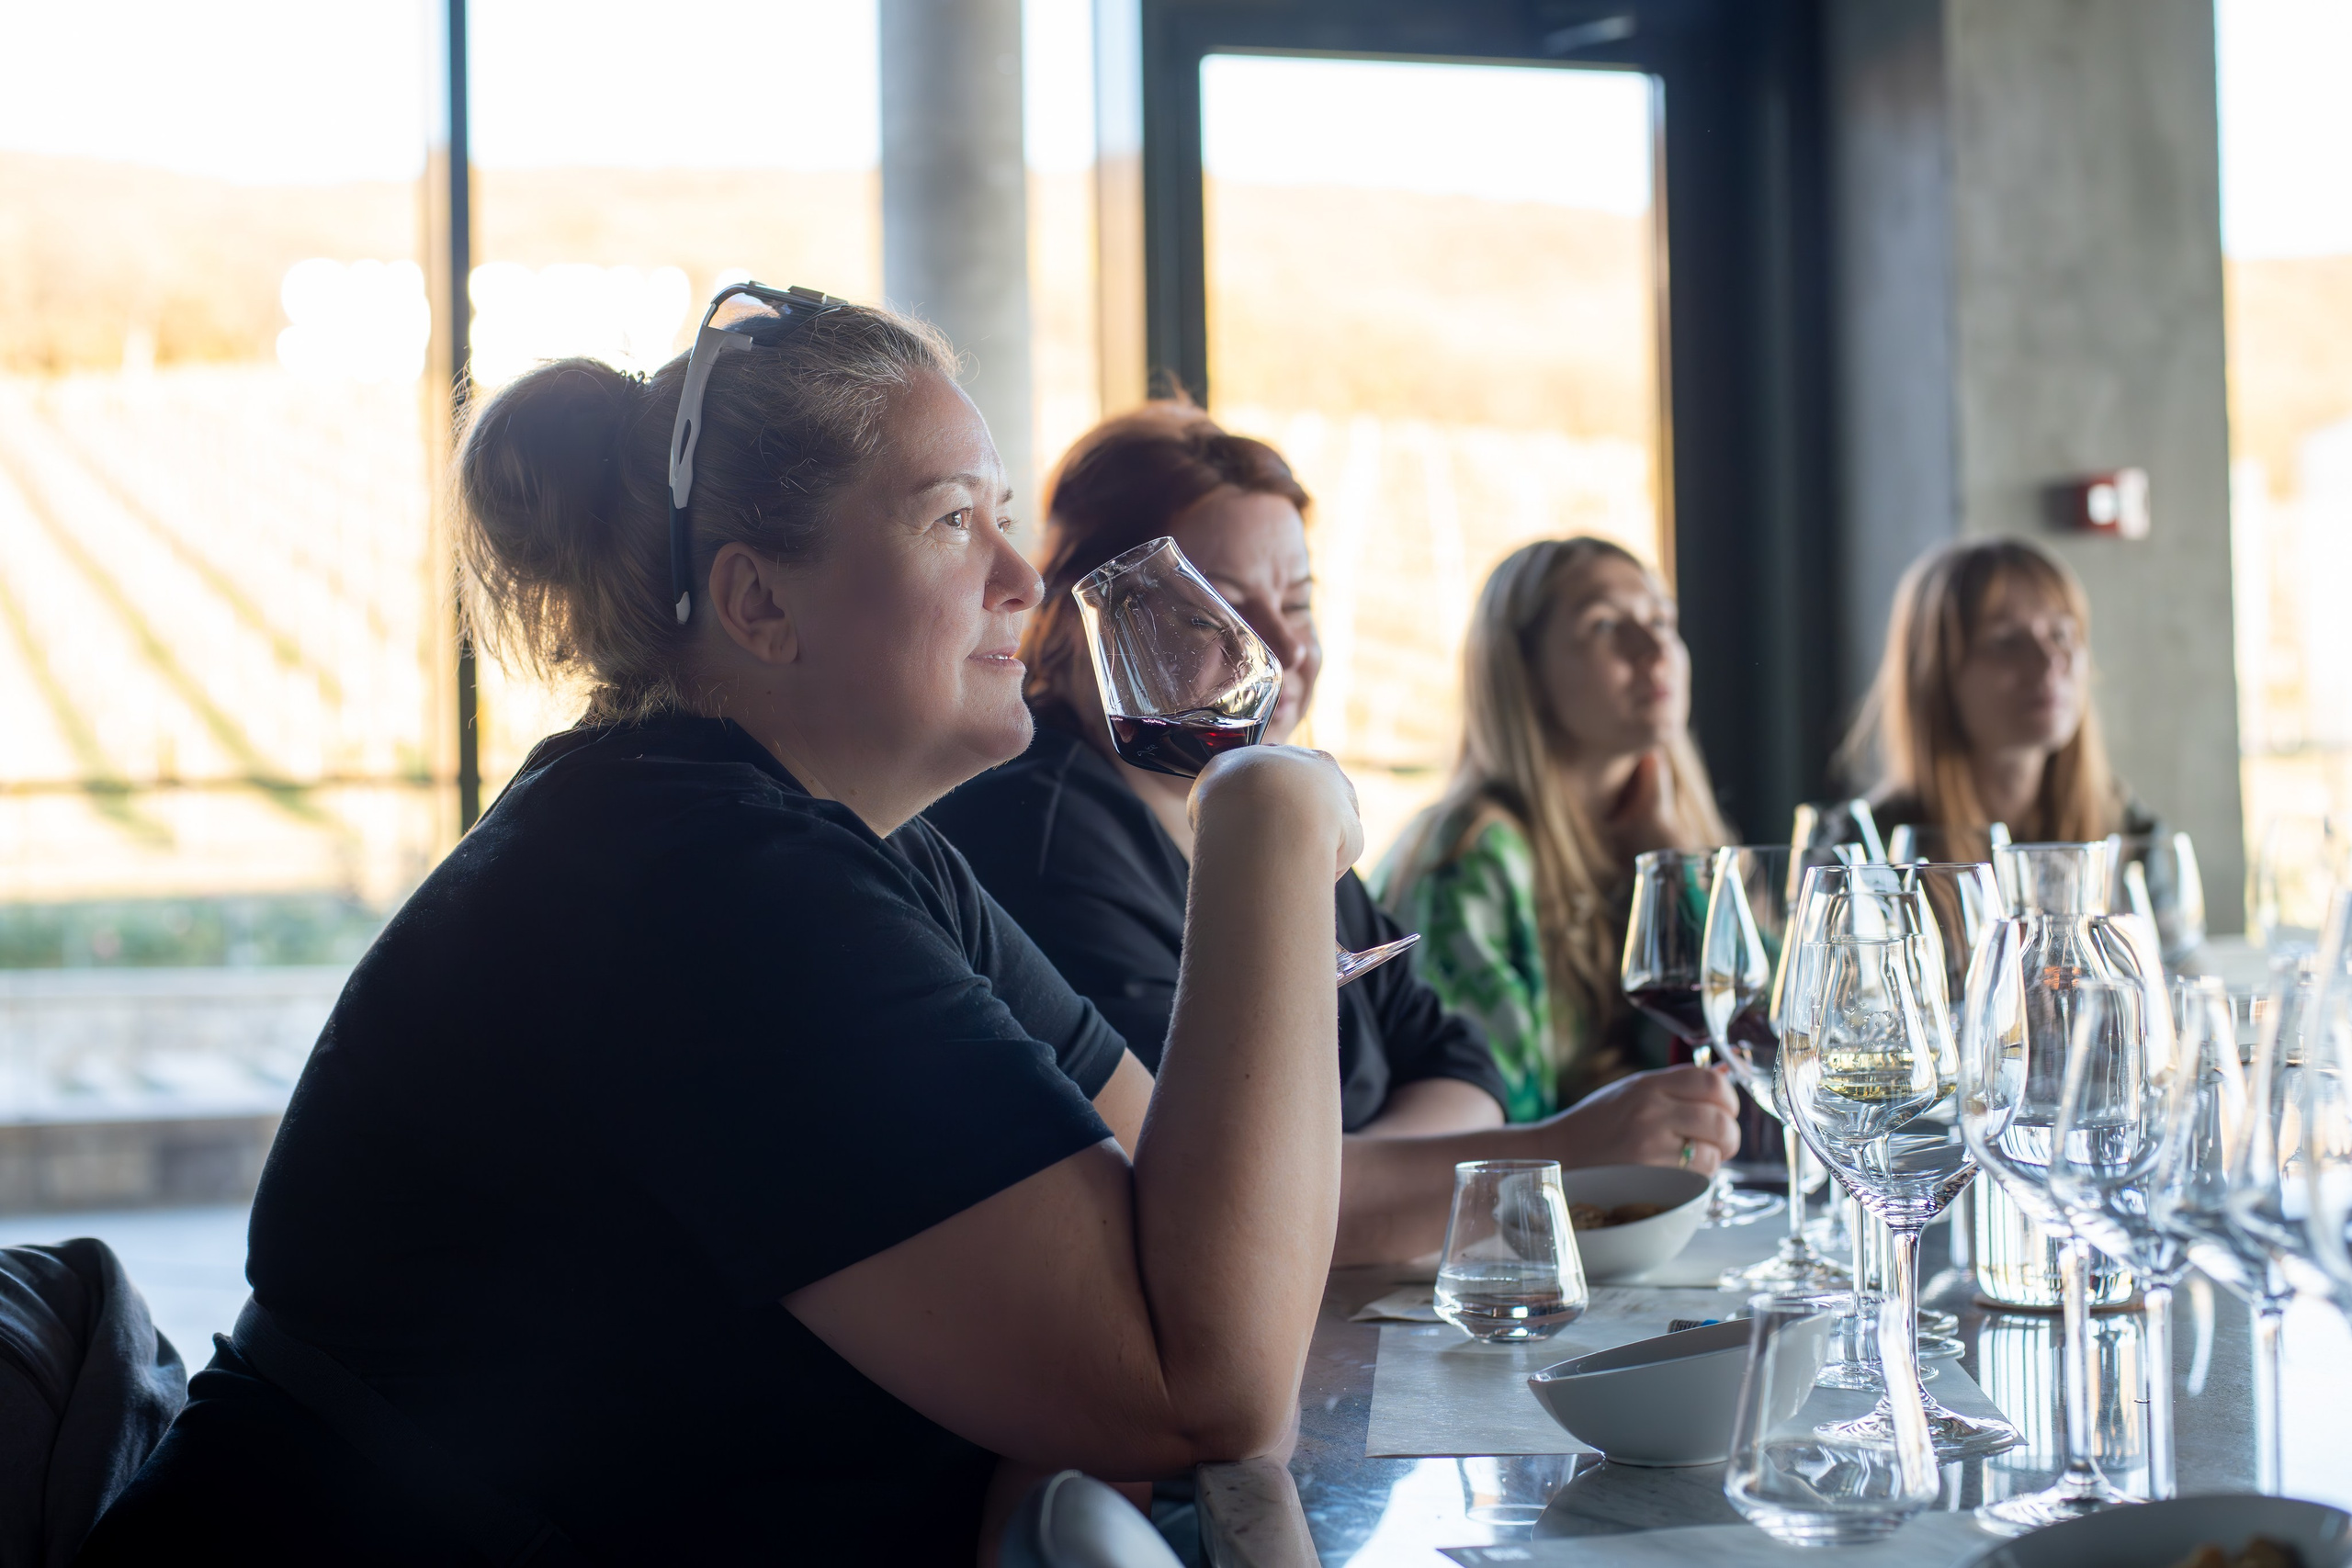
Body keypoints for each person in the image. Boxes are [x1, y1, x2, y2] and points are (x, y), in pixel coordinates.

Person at [80, 298, 1367, 1565]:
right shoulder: (693, 881)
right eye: (952, 520)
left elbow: (1189, 1220)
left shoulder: (849, 850)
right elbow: (1207, 1383)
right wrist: (1267, 812)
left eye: (1005, 516)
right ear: (758, 604)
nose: (1025, 581)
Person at [927, 406, 1738, 1268]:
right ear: (1101, 625)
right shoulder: (1053, 839)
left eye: (1297, 603)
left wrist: (1359, 1184)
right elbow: (1224, 1215)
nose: (1278, 650)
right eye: (1218, 612)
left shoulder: (1263, 809)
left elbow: (1460, 1063)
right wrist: (1553, 1155)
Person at [1376, 536, 1734, 1122]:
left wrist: (1672, 860)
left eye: (1661, 620)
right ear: (1525, 673)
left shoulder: (1660, 825)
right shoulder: (1468, 858)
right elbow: (1503, 1119)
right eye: (1603, 625)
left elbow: (1785, 1039)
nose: (1655, 648)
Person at [1836, 536, 2154, 847]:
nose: (2049, 663)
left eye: (2060, 634)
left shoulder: (2130, 835)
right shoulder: (1862, 853)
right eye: (2006, 642)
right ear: (1936, 676)